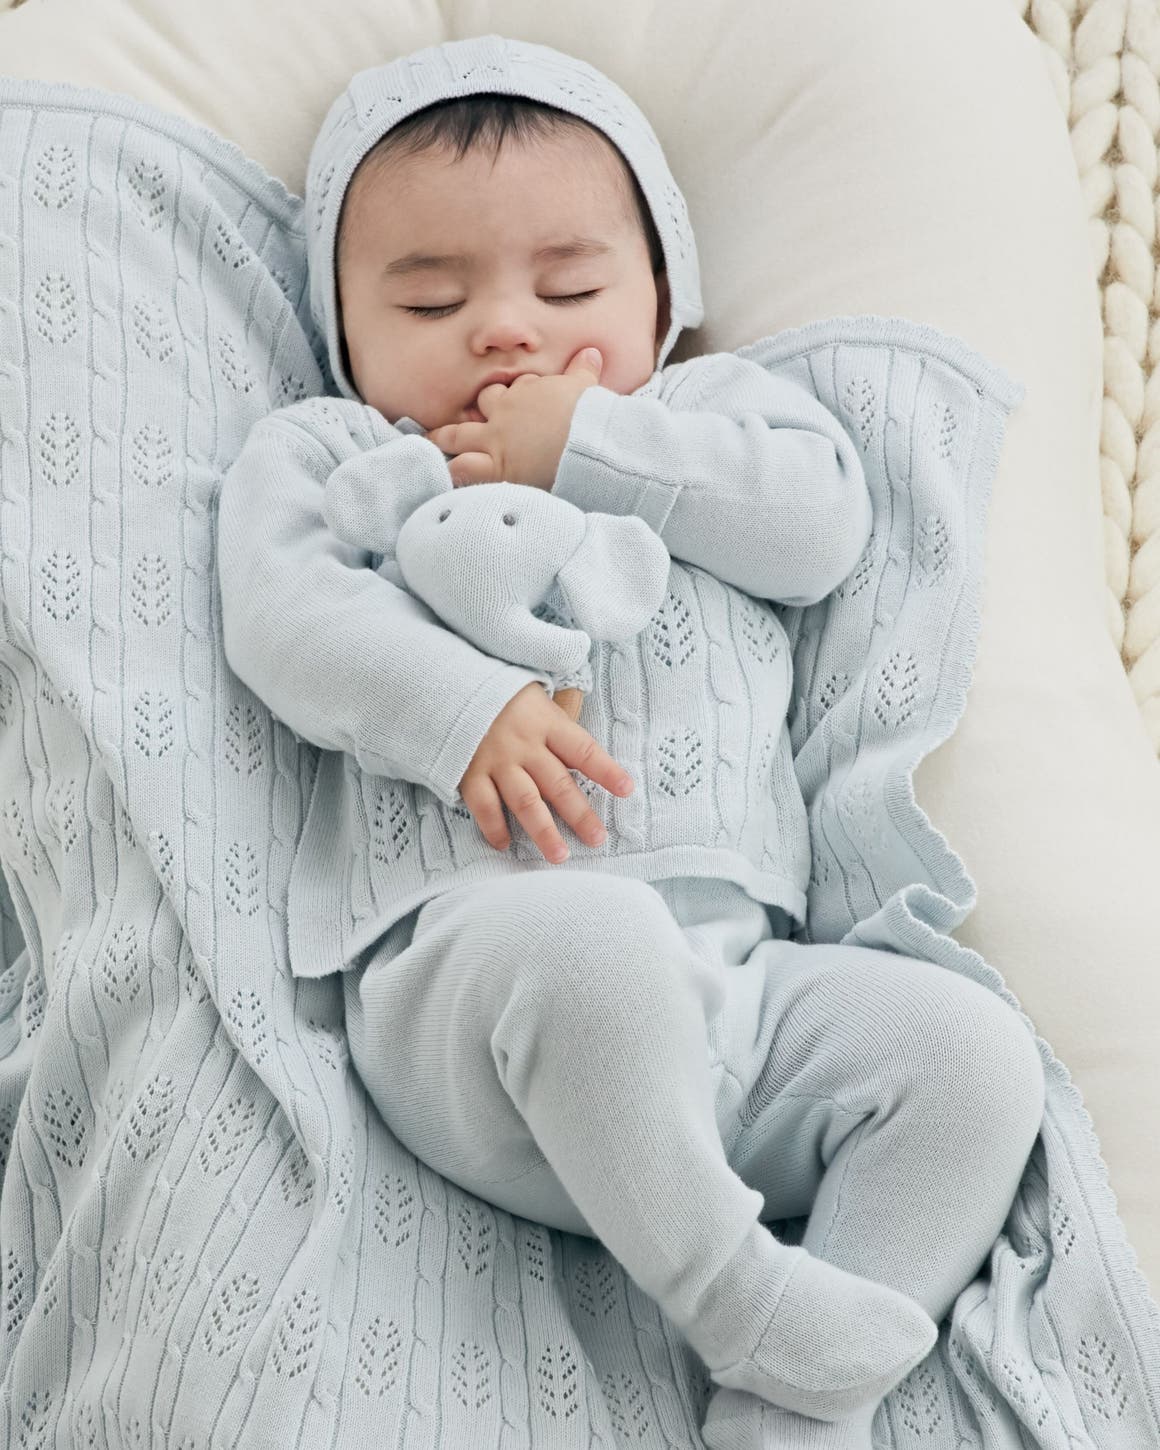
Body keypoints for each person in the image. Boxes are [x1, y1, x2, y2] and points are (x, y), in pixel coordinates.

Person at [216, 35, 1046, 1450]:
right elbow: (283, 620)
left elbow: (820, 525)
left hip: (746, 999)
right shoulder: (339, 454)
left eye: (571, 286)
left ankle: (789, 1406)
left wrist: (591, 442)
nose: (507, 331)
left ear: (664, 300)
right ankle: (744, 1301)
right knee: (593, 944)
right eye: (430, 296)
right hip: (476, 992)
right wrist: (460, 707)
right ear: (342, 327)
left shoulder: (713, 424)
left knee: (970, 1056)